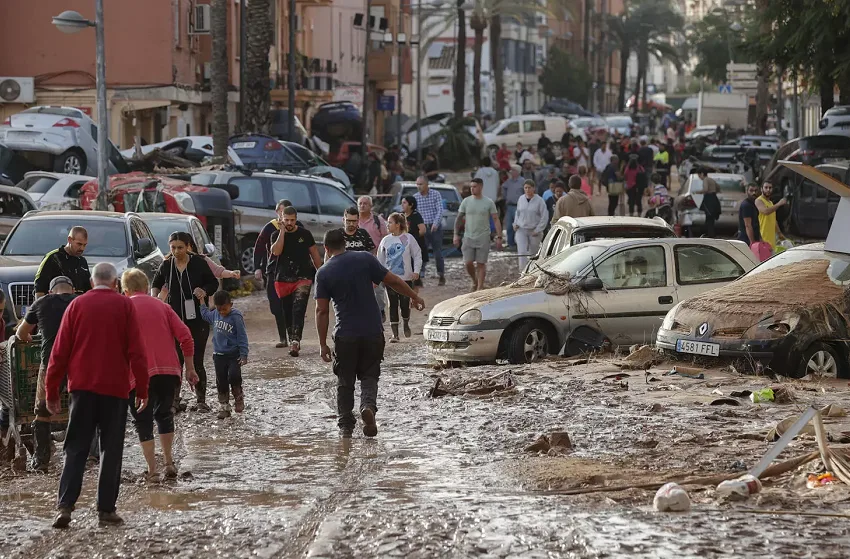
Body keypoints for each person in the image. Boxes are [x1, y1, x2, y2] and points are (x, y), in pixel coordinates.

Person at [46, 263, 149, 529]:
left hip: (81, 389)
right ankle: (105, 511)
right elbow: (137, 351)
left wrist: (51, 390)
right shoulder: (125, 306)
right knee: (110, 450)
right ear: (116, 284)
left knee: (76, 448)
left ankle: (65, 508)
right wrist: (143, 388)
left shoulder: (77, 306)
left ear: (92, 283)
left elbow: (59, 352)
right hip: (114, 390)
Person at [315, 229, 424, 438]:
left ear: (326, 249)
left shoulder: (324, 272)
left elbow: (321, 310)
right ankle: (368, 407)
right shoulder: (365, 259)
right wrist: (414, 297)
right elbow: (392, 281)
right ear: (345, 244)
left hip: (345, 334)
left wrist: (322, 344)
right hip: (373, 331)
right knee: (369, 375)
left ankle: (346, 427)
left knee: (345, 381)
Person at [121, 268, 197, 480]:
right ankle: (169, 462)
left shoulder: (123, 309)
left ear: (125, 291)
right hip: (169, 372)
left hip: (137, 376)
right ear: (146, 287)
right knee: (164, 415)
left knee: (142, 421)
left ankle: (153, 470)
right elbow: (186, 337)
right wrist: (190, 368)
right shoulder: (163, 307)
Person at [151, 232, 218, 411]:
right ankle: (174, 400)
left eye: (180, 247)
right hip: (174, 318)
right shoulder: (166, 265)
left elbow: (214, 283)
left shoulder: (199, 263)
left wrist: (204, 291)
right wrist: (155, 298)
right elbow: (155, 282)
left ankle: (201, 400)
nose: (176, 251)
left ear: (188, 247)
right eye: (173, 248)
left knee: (197, 359)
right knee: (176, 361)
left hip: (197, 318)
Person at [16, 277, 77, 472]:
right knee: (83, 407)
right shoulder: (79, 302)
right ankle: (88, 457)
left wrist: (27, 337)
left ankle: (41, 461)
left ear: (51, 292)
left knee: (42, 411)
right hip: (79, 363)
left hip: (51, 362)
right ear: (72, 290)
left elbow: (21, 333)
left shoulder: (40, 303)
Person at [271, 206, 322, 357]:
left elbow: (314, 254)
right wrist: (282, 231)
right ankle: (291, 338)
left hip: (303, 277)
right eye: (286, 220)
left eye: (292, 220)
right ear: (281, 218)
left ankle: (295, 342)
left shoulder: (305, 234)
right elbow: (276, 251)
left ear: (296, 219)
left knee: (298, 310)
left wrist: (322, 272)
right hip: (283, 278)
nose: (289, 223)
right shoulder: (276, 234)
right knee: (287, 311)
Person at [254, 199, 303, 348]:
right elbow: (259, 247)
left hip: (293, 273)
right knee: (276, 306)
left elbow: (307, 247)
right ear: (277, 213)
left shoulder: (299, 228)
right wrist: (257, 267)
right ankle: (283, 338)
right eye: (282, 213)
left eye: (288, 214)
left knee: (294, 305)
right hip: (273, 271)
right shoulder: (269, 228)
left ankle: (294, 338)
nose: (285, 217)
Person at [201, 290, 249, 420]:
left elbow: (242, 336)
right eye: (219, 309)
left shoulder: (236, 316)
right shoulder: (215, 314)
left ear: (231, 304)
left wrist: (244, 354)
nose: (222, 312)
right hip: (219, 355)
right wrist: (201, 301)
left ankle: (238, 397)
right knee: (221, 380)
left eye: (224, 309)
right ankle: (224, 406)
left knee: (234, 376)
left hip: (234, 355)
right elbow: (205, 315)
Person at [377, 213, 422, 342]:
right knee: (392, 304)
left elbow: (417, 255)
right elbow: (380, 260)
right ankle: (395, 334)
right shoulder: (385, 240)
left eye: (390, 222)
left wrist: (416, 271)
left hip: (406, 278)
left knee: (404, 303)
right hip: (390, 278)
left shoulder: (408, 238)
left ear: (398, 225)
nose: (387, 224)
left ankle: (406, 323)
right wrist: (379, 276)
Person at [454, 178, 503, 292]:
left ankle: (480, 287)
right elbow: (459, 218)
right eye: (471, 186)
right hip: (468, 236)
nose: (472, 189)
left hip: (484, 236)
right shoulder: (466, 201)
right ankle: (474, 281)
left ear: (481, 187)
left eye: (475, 186)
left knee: (481, 263)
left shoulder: (489, 202)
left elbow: (496, 219)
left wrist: (499, 237)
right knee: (468, 262)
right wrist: (456, 235)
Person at [35, 226, 93, 297]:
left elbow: (88, 289)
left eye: (84, 245)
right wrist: (40, 306)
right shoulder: (53, 258)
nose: (82, 248)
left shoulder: (82, 261)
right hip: (56, 305)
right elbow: (39, 287)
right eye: (79, 244)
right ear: (69, 240)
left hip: (78, 305)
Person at [357, 195, 391, 314]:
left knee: (378, 287)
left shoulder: (378, 220)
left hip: (376, 258)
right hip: (357, 260)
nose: (362, 206)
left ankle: (380, 311)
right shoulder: (354, 221)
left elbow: (385, 238)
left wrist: (382, 254)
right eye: (360, 203)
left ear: (371, 206)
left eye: (365, 203)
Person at [413, 176, 446, 285]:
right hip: (422, 228)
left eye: (421, 184)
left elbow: (440, 210)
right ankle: (419, 276)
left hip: (435, 227)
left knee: (437, 252)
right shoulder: (415, 198)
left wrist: (435, 224)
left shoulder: (435, 194)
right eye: (417, 184)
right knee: (420, 252)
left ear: (427, 184)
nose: (419, 186)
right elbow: (414, 214)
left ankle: (441, 274)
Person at [513, 180, 548, 270]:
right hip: (521, 229)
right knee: (522, 252)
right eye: (526, 188)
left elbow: (544, 217)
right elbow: (518, 213)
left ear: (533, 188)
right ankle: (522, 272)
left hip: (534, 230)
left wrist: (538, 230)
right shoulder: (521, 199)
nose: (527, 190)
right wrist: (515, 223)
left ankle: (532, 271)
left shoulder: (539, 201)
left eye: (529, 188)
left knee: (533, 253)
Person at [401, 196, 427, 291]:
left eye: (404, 203)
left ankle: (415, 294)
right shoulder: (401, 216)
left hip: (416, 247)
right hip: (404, 248)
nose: (402, 205)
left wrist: (412, 239)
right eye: (402, 202)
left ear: (411, 205)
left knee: (414, 273)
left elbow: (423, 230)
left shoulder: (416, 215)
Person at [755, 182, 787, 250]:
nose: (768, 190)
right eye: (766, 187)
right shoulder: (759, 201)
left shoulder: (771, 203)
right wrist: (779, 204)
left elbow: (773, 219)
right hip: (762, 238)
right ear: (761, 189)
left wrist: (779, 233)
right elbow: (765, 211)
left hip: (771, 240)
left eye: (770, 188)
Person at [501, 165, 525, 249]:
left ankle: (519, 243)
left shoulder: (522, 181)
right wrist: (505, 197)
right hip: (509, 206)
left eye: (513, 170)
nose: (511, 172)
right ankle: (510, 243)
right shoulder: (508, 181)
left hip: (518, 206)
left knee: (519, 226)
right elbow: (503, 187)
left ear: (517, 172)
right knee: (508, 226)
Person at [697, 168, 721, 238]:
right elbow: (718, 187)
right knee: (711, 219)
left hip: (709, 199)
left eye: (699, 175)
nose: (699, 177)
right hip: (714, 198)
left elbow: (705, 189)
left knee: (709, 218)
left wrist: (697, 192)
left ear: (702, 174)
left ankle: (710, 235)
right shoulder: (711, 179)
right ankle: (710, 234)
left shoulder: (705, 180)